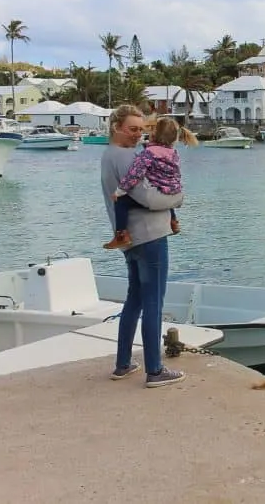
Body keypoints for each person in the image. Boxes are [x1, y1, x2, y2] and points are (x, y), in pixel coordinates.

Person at [101, 104, 186, 388]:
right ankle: (155, 370)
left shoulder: (108, 155)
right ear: (116, 128)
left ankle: (123, 364)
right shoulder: (126, 157)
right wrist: (178, 199)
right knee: (153, 302)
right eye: (132, 129)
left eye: (141, 129)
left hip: (129, 238)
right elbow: (150, 198)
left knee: (135, 299)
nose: (138, 135)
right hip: (149, 236)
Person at [104, 116, 198, 250]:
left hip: (156, 198)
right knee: (165, 188)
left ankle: (121, 235)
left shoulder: (148, 153)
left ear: (154, 134)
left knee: (121, 202)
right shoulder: (173, 153)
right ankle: (173, 222)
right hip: (176, 196)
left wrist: (119, 191)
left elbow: (134, 174)